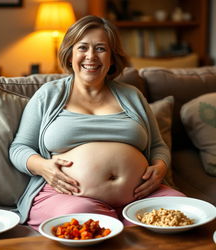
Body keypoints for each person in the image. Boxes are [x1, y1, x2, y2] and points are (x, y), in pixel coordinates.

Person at [9, 15, 185, 230]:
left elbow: (158, 146)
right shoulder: (48, 95)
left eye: (101, 49)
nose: (91, 56)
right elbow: (19, 148)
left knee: (181, 212)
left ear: (112, 58)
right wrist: (43, 166)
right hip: (70, 197)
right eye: (82, 48)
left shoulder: (132, 96)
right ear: (70, 54)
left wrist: (160, 168)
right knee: (86, 223)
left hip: (141, 195)